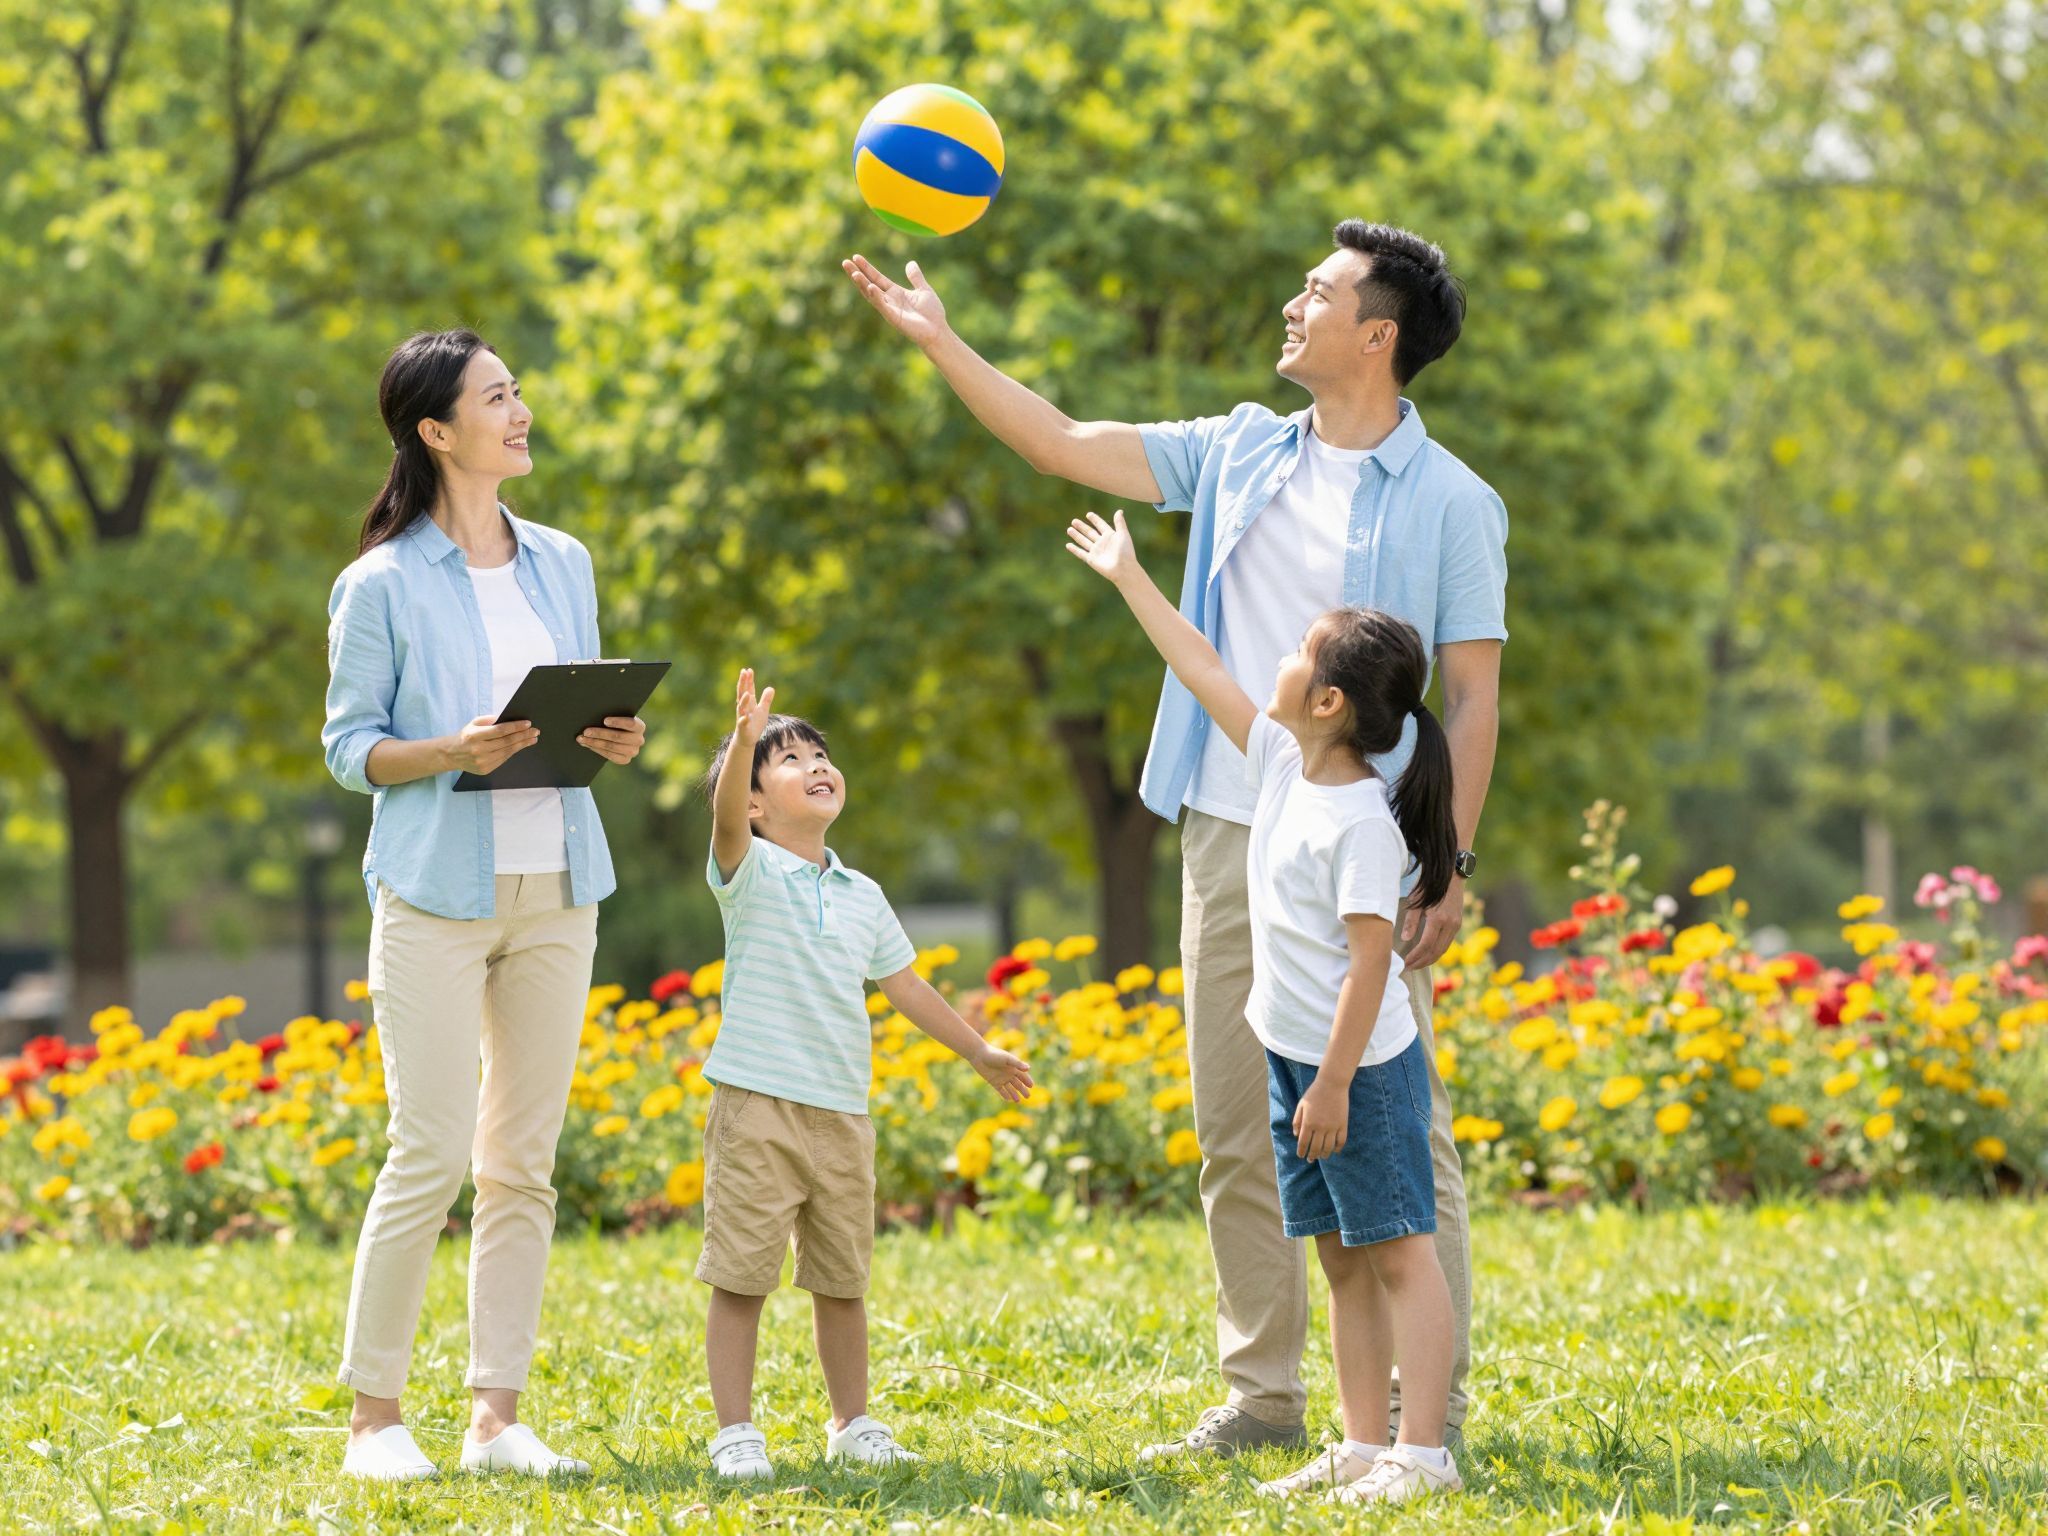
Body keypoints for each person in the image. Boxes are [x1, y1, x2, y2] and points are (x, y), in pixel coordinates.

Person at [844, 221, 1505, 1455]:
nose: (1291, 303)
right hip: (1231, 824)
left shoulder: (1455, 504)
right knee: (1234, 1121)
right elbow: (1059, 444)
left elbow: (1468, 697)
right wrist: (944, 343)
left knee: (1393, 1125)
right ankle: (1265, 1397)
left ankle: (1426, 1415)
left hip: (1364, 847)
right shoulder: (1237, 451)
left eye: (1317, 292)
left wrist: (1448, 863)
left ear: (1379, 334)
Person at [1067, 509, 1462, 1504]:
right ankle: (1363, 1444)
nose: (1276, 659)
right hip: (1297, 1062)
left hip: (1355, 1071)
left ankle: (1424, 1454)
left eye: (1295, 651)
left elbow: (1371, 967)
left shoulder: (1361, 825)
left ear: (1326, 700)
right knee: (1336, 1258)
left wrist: (1329, 1084)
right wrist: (1128, 577)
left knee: (1399, 1256)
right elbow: (1201, 667)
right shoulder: (1284, 763)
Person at [322, 329, 648, 1481]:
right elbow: (348, 749)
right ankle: (375, 1419)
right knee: (428, 1148)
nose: (520, 411)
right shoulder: (380, 583)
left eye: (516, 392)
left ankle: (495, 1416)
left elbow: (582, 710)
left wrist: (617, 736)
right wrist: (448, 750)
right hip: (433, 892)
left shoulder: (564, 560)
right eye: (496, 397)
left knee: (522, 1159)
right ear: (435, 430)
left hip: (557, 884)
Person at [696, 668, 1034, 1481]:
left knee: (842, 1278)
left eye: (820, 752)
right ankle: (736, 1432)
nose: (815, 762)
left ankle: (852, 1422)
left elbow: (906, 987)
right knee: (742, 1277)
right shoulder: (747, 871)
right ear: (751, 802)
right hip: (759, 1106)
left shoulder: (860, 892)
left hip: (842, 1113)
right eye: (787, 759)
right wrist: (743, 740)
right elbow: (720, 827)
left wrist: (979, 1050)